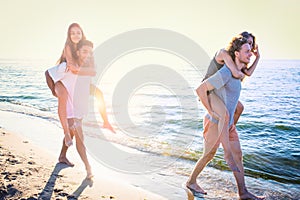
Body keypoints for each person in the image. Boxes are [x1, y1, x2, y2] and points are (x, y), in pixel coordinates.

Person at [186, 36, 265, 200]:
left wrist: (258, 57)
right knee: (209, 154)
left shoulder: (238, 73)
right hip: (215, 122)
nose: (250, 53)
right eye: (247, 51)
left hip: (227, 124)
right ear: (236, 54)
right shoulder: (226, 72)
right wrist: (212, 112)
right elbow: (200, 89)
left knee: (238, 156)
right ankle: (191, 181)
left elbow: (246, 74)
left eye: (251, 49)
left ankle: (243, 193)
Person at [45, 23, 115, 150]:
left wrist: (85, 70)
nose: (75, 35)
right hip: (59, 79)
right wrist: (53, 90)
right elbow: (73, 68)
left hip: (74, 82)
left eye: (78, 32)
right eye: (72, 33)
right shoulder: (68, 47)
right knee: (64, 98)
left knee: (98, 94)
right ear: (69, 35)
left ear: (82, 34)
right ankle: (66, 133)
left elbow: (92, 71)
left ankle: (106, 122)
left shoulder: (86, 48)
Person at [201, 32, 260, 172]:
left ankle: (227, 129)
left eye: (251, 45)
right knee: (225, 115)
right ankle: (226, 147)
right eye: (247, 43)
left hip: (219, 90)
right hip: (209, 91)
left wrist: (258, 58)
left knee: (239, 107)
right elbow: (235, 72)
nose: (250, 47)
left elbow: (248, 73)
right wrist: (239, 73)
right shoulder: (225, 53)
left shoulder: (238, 61)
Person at [53, 39, 97, 179]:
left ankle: (62, 156)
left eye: (90, 52)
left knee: (72, 134)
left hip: (80, 108)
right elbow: (48, 74)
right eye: (84, 51)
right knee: (80, 138)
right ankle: (88, 169)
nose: (88, 54)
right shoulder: (67, 66)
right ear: (77, 52)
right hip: (70, 109)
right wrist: (56, 93)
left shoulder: (84, 68)